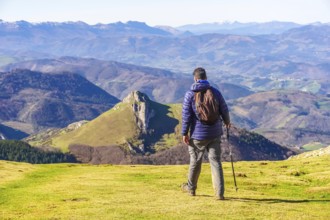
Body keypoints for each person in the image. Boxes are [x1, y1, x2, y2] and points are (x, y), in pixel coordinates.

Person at [181, 67, 230, 200]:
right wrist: (227, 122)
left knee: (195, 162)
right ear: (206, 78)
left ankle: (191, 189)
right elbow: (224, 108)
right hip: (215, 133)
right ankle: (219, 193)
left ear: (195, 78)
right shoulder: (215, 92)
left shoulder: (189, 95)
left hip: (197, 135)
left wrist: (184, 133)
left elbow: (186, 116)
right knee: (215, 162)